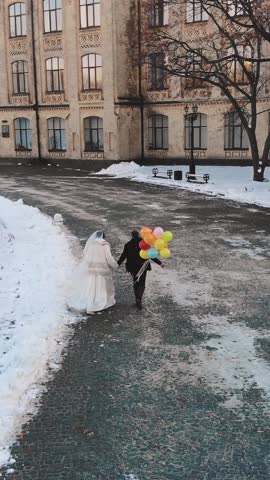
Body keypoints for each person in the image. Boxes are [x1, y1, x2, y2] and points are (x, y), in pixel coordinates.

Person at [68, 231, 118, 314]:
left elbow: (85, 255)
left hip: (91, 268)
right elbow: (109, 257)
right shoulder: (104, 245)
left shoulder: (91, 244)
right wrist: (115, 265)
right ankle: (99, 301)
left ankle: (89, 300)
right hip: (102, 269)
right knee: (101, 287)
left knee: (91, 286)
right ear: (103, 237)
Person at [117, 230, 164, 310]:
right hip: (142, 266)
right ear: (138, 235)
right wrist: (160, 263)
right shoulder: (144, 244)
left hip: (132, 267)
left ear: (132, 236)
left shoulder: (128, 245)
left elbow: (123, 256)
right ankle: (139, 298)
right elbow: (151, 255)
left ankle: (136, 300)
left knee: (135, 282)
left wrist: (118, 264)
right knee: (142, 283)